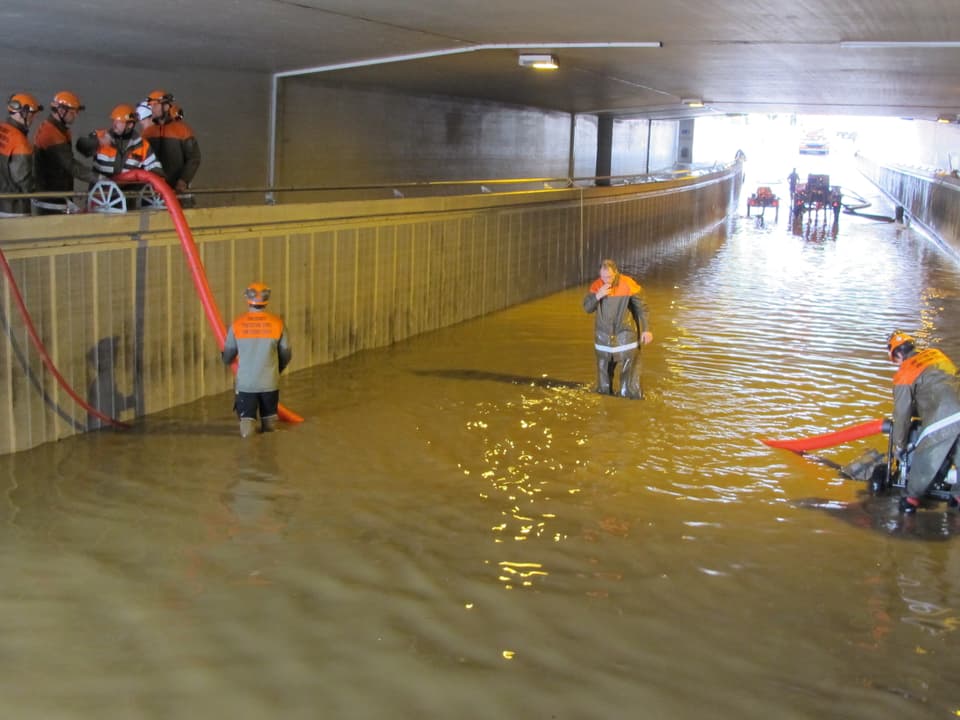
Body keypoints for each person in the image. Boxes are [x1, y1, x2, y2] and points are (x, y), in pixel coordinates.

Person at [887, 331, 960, 513]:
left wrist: (899, 446)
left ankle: (910, 501)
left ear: (897, 354)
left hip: (946, 414)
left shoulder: (904, 374)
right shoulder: (937, 354)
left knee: (926, 455)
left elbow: (902, 414)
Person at [222, 282, 292, 438]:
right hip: (270, 383)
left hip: (246, 384)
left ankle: (252, 458)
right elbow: (286, 354)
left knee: (247, 429)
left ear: (247, 298)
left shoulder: (237, 325)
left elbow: (228, 355)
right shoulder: (278, 324)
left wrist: (227, 360)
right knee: (270, 427)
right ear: (267, 299)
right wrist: (277, 369)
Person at [582, 259, 653, 399]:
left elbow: (642, 308)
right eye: (603, 277)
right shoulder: (597, 286)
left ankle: (629, 403)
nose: (605, 280)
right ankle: (606, 402)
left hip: (625, 335)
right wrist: (598, 296)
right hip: (603, 338)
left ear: (616, 273)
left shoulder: (628, 284)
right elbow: (587, 308)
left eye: (608, 277)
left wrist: (646, 329)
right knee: (603, 383)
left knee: (630, 381)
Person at [33, 91, 94, 213]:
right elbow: (70, 165)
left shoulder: (58, 129)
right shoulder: (51, 133)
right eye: (73, 112)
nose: (75, 116)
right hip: (51, 200)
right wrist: (98, 178)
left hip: (56, 197)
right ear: (61, 111)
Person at [141, 89, 201, 199]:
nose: (152, 109)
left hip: (176, 190)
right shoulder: (147, 133)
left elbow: (194, 158)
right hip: (152, 192)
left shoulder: (183, 130)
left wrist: (183, 180)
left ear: (166, 107)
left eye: (155, 105)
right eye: (151, 105)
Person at [77, 104, 164, 180]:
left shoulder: (142, 145)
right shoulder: (101, 136)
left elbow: (156, 170)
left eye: (119, 122)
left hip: (128, 196)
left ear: (130, 124)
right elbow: (81, 145)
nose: (114, 124)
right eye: (114, 120)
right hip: (101, 195)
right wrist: (98, 142)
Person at [0, 92, 42, 215]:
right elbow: (22, 179)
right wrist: (36, 189)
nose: (33, 118)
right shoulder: (20, 141)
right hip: (15, 208)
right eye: (32, 114)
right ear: (23, 113)